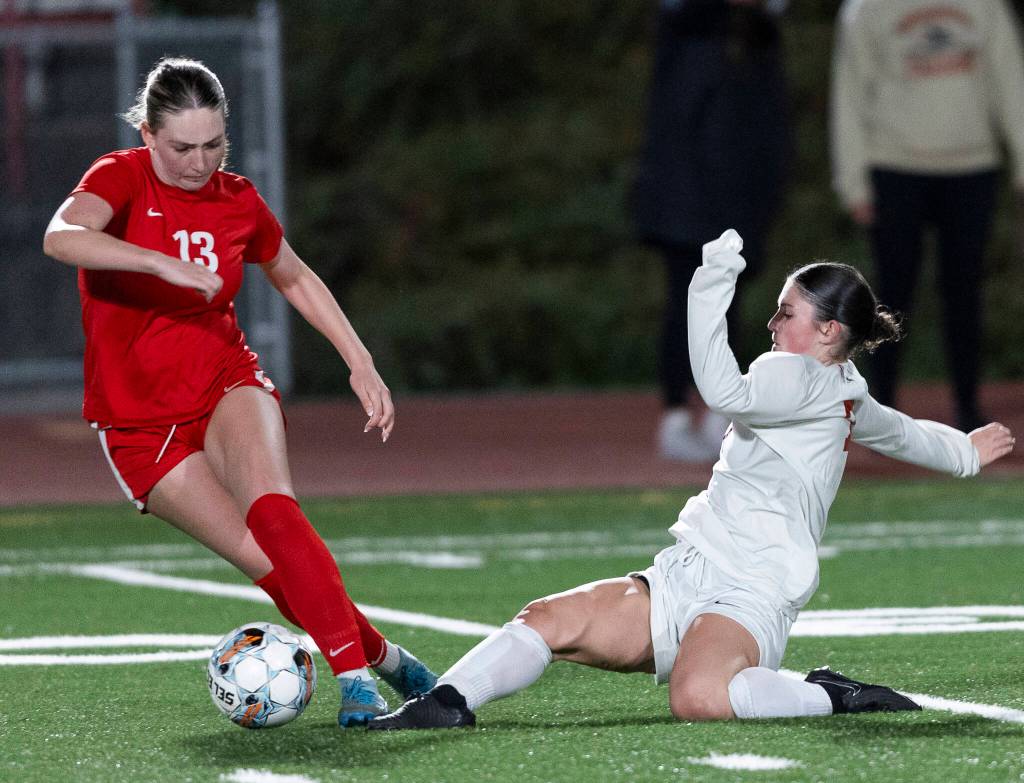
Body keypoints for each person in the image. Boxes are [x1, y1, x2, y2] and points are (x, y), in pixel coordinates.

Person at [367, 229, 1016, 730]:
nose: (773, 323)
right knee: (547, 619)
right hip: (694, 565)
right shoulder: (842, 385)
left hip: (751, 588)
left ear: (828, 331)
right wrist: (961, 449)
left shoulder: (796, 375)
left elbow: (720, 387)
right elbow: (895, 430)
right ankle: (448, 702)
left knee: (700, 696)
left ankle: (826, 694)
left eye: (786, 313)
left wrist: (709, 283)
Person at [41, 57, 437, 728]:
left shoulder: (237, 199)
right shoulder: (119, 178)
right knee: (269, 565)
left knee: (275, 511)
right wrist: (156, 260)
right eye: (182, 147)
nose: (200, 162)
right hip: (137, 425)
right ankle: (389, 659)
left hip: (224, 376)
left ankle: (355, 681)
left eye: (213, 144)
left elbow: (294, 275)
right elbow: (61, 237)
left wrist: (358, 358)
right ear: (147, 135)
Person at [831, 0, 1024, 432]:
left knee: (965, 291)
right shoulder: (867, 9)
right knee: (890, 292)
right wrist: (853, 181)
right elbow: (849, 93)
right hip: (894, 165)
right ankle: (878, 407)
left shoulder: (986, 6)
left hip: (973, 166)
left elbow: (1011, 82)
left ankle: (968, 404)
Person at [631, 0, 790, 461]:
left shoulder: (758, 39)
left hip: (736, 191)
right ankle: (676, 413)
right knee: (686, 300)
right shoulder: (686, 28)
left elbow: (770, 122)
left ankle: (722, 412)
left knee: (730, 305)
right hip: (686, 191)